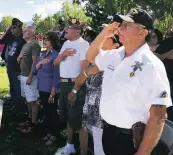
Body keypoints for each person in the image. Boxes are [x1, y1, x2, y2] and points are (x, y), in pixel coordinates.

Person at [85, 8, 172, 155]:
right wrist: (104, 33)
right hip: (108, 132)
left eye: (127, 25)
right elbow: (91, 57)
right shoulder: (116, 54)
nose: (120, 28)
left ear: (142, 33)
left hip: (129, 141)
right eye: (121, 24)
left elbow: (158, 116)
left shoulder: (151, 65)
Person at [72, 34, 121, 155]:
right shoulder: (99, 59)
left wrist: (86, 73)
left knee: (103, 144)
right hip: (92, 106)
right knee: (97, 142)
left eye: (107, 38)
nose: (102, 40)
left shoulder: (116, 61)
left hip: (104, 111)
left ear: (116, 46)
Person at [54, 18, 90, 155]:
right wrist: (63, 54)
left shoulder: (84, 45)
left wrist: (75, 90)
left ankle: (84, 152)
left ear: (76, 31)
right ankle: (69, 146)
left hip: (75, 85)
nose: (65, 30)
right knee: (69, 117)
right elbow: (55, 63)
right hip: (64, 84)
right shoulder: (65, 44)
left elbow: (83, 71)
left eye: (68, 28)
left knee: (79, 123)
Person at [32, 31, 61, 145]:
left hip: (50, 89)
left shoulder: (55, 56)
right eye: (44, 39)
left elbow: (57, 75)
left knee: (52, 113)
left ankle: (54, 135)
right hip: (42, 88)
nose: (44, 41)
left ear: (52, 42)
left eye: (47, 40)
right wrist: (39, 64)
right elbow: (34, 69)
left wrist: (52, 93)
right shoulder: (43, 54)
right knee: (47, 113)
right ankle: (49, 133)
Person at [0, 18, 27, 126]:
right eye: (12, 27)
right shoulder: (11, 37)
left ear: (20, 27)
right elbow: (0, 41)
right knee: (13, 91)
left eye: (15, 27)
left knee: (19, 93)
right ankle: (15, 113)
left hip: (17, 70)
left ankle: (21, 117)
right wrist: (7, 30)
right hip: (10, 68)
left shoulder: (23, 39)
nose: (13, 29)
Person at [16, 26, 41, 133]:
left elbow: (35, 63)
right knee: (28, 100)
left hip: (30, 77)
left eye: (25, 31)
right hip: (23, 75)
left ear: (31, 33)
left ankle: (33, 123)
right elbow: (18, 60)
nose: (23, 32)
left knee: (33, 101)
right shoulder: (25, 45)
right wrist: (19, 57)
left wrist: (30, 76)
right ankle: (29, 120)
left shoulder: (34, 44)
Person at [154, 16, 173, 124]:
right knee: (169, 115)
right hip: (168, 85)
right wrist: (166, 55)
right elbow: (154, 56)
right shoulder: (166, 42)